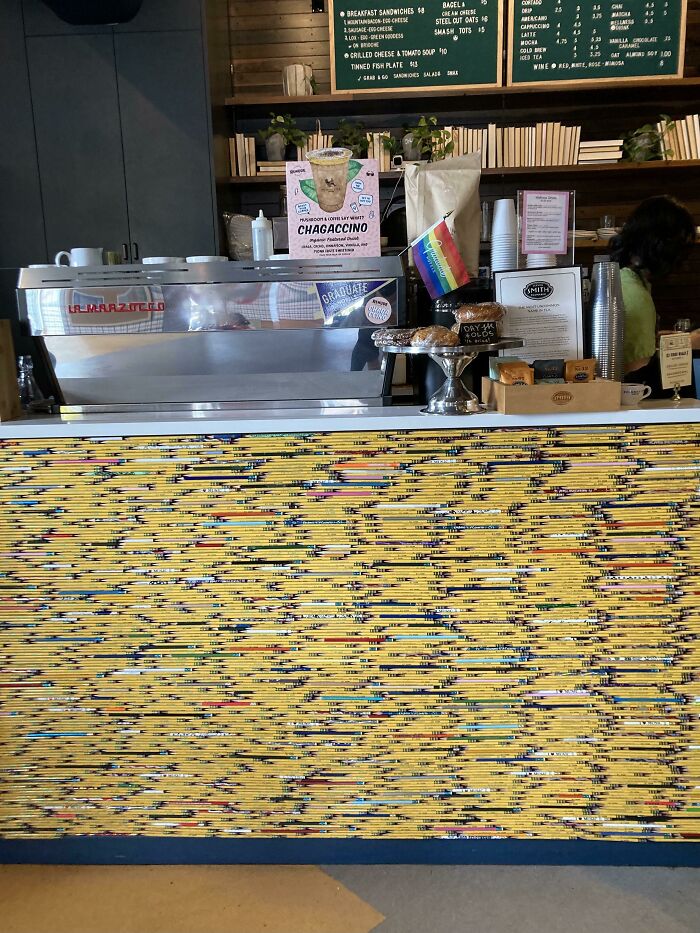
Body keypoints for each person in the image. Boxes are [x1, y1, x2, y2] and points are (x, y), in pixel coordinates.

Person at [608, 195, 696, 375]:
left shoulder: (624, 278)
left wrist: (658, 341)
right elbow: (637, 376)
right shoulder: (635, 295)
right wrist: (689, 343)